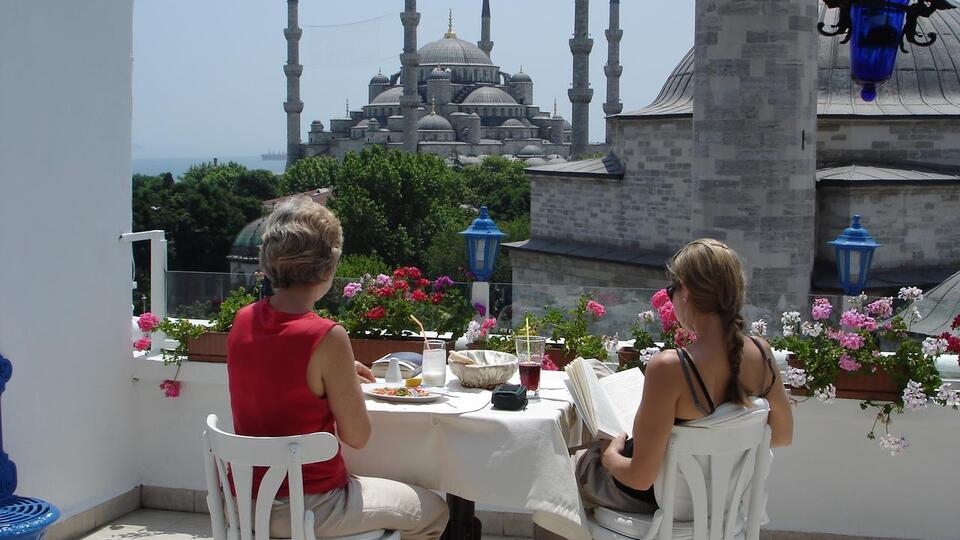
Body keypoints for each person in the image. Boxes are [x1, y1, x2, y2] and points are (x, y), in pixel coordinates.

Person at [227, 196, 449, 539]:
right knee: (435, 510)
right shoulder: (326, 336)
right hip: (311, 509)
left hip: (246, 504)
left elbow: (277, 374)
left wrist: (338, 371)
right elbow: (358, 437)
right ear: (329, 268)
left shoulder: (243, 320)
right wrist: (338, 373)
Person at [576, 238, 793, 513]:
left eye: (671, 289)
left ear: (686, 291)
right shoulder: (762, 353)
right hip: (719, 504)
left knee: (558, 474)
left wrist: (608, 455)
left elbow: (640, 478)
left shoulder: (672, 367)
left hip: (659, 503)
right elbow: (783, 435)